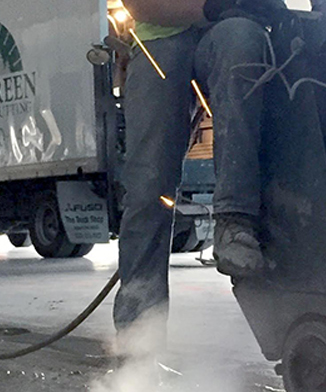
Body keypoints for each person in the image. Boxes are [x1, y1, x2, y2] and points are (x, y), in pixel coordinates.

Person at [114, 0, 286, 351]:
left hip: (223, 33)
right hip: (159, 39)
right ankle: (137, 347)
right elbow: (141, 5)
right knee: (150, 189)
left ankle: (234, 221)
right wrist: (215, 6)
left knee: (242, 39)